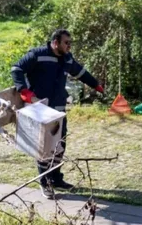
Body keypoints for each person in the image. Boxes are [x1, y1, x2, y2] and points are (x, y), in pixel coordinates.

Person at [11, 29, 104, 197]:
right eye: (66, 42)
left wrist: (95, 84)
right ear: (55, 43)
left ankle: (56, 178)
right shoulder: (37, 54)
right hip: (40, 109)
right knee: (45, 146)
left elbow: (80, 72)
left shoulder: (67, 58)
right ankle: (44, 182)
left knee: (60, 144)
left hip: (59, 108)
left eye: (70, 43)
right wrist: (24, 91)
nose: (69, 46)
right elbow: (16, 69)